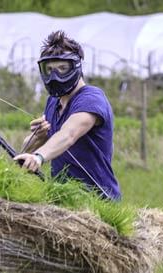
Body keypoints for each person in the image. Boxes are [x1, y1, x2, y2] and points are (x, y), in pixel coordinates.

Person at [13, 30, 121, 200]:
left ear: (76, 66)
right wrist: (38, 138)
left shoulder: (92, 99)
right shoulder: (53, 102)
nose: (55, 76)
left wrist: (39, 157)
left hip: (98, 201)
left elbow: (68, 134)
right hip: (63, 199)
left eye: (62, 69)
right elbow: (26, 149)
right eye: (49, 70)